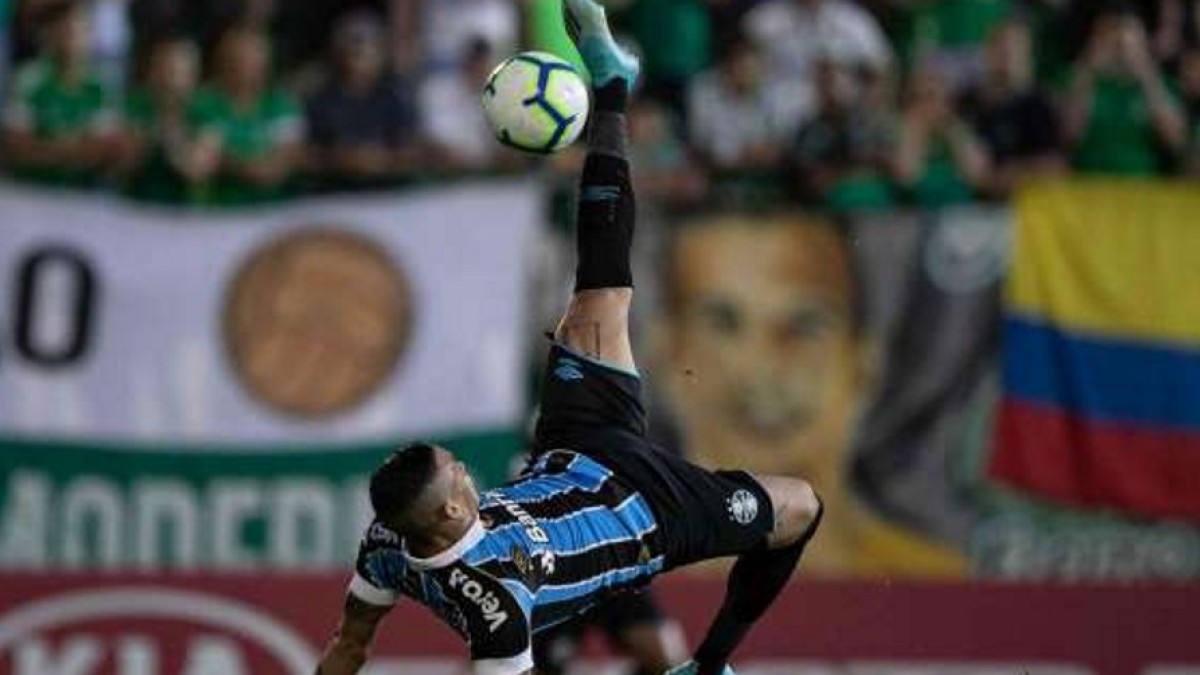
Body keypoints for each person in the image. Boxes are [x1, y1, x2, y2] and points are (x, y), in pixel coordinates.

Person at [313, 2, 823, 674]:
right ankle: (708, 667)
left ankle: (610, 85)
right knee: (801, 507)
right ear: (453, 509)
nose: (465, 468)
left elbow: (350, 643)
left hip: (575, 450)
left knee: (601, 286)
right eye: (456, 472)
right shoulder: (496, 609)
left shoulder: (387, 540)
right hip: (651, 513)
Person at [650, 213, 966, 577]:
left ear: (863, 364)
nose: (762, 369)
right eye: (722, 323)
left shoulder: (934, 577)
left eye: (806, 325)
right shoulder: (615, 579)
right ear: (668, 355)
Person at [2, 0, 119, 189]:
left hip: (83, 194)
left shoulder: (101, 87)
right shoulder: (28, 78)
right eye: (63, 29)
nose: (70, 36)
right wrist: (75, 149)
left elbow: (104, 153)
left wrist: (46, 148)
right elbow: (16, 148)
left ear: (89, 34)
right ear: (49, 35)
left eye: (76, 29)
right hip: (30, 191)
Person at [305, 10, 423, 191]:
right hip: (335, 192)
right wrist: (344, 159)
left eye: (371, 48)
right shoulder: (322, 101)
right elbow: (307, 154)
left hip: (388, 192)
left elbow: (411, 149)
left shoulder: (393, 99)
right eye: (355, 50)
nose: (363, 57)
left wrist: (384, 159)